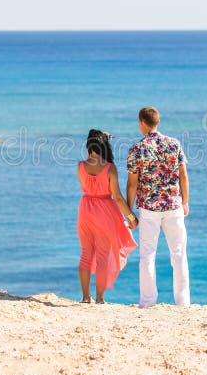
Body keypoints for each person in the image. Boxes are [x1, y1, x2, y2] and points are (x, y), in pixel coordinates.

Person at [126, 107, 190, 308]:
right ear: (158, 122)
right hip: (173, 205)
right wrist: (185, 202)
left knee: (147, 255)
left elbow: (132, 184)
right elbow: (183, 176)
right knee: (178, 253)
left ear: (141, 123)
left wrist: (129, 212)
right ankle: (183, 302)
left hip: (149, 209)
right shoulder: (174, 144)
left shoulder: (137, 150)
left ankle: (147, 302)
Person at [76, 129, 138, 304]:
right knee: (103, 256)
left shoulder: (80, 166)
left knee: (86, 254)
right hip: (104, 211)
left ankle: (85, 297)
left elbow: (87, 187)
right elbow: (117, 197)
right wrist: (131, 217)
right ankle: (100, 299)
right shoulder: (110, 168)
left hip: (85, 210)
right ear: (105, 146)